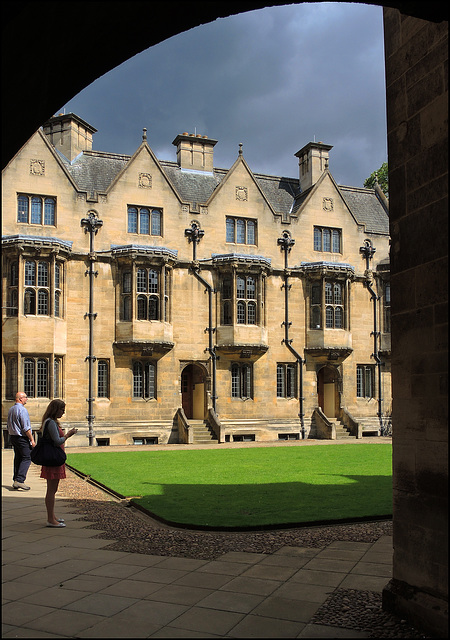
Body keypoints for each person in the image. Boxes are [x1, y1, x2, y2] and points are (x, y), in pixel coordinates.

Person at [39, 399, 77, 528]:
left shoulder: (51, 422)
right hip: (53, 459)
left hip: (55, 459)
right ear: (56, 409)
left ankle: (52, 516)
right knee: (51, 490)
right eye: (62, 410)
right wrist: (68, 435)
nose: (63, 412)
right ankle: (50, 519)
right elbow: (57, 441)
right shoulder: (50, 423)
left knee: (53, 489)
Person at [7, 392, 35, 490]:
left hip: (13, 437)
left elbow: (8, 425)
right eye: (25, 397)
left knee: (18, 458)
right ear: (20, 399)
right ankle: (20, 480)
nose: (27, 399)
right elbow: (26, 427)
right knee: (27, 457)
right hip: (21, 437)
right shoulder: (22, 410)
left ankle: (16, 480)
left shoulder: (11, 409)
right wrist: (32, 439)